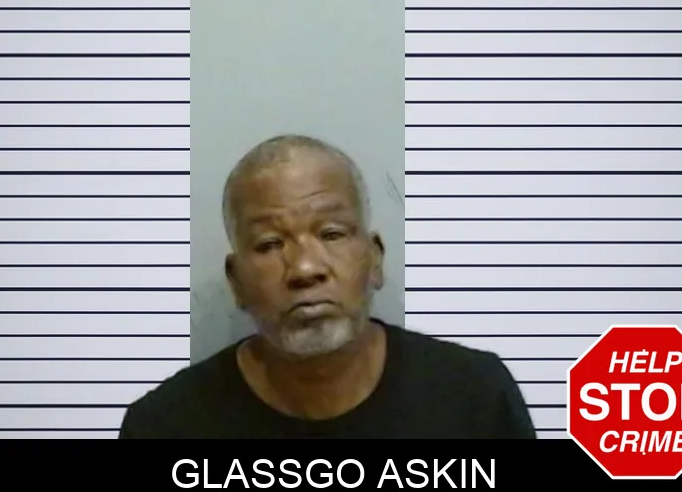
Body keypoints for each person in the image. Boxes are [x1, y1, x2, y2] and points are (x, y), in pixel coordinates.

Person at [118, 134, 536, 439]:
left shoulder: (476, 399)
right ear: (236, 281)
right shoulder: (165, 427)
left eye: (332, 234)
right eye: (269, 244)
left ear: (374, 259)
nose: (304, 268)